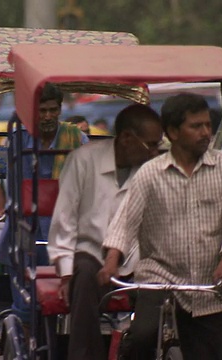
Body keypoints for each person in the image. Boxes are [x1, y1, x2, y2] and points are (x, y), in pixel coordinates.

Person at [101, 93, 222, 359]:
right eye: (196, 126)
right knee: (142, 338)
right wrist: (112, 259)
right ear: (172, 132)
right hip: (159, 276)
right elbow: (124, 222)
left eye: (207, 125)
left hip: (212, 282)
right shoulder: (150, 173)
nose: (206, 132)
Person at [48, 104, 163, 360]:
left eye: (159, 146)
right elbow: (64, 221)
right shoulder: (83, 160)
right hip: (91, 254)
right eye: (150, 145)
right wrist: (66, 275)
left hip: (139, 259)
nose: (155, 152)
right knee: (85, 275)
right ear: (126, 139)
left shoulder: (154, 168)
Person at [0, 83, 89, 327]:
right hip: (27, 229)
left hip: (67, 228)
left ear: (60, 110)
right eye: (42, 110)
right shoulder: (18, 139)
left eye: (52, 110)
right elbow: (13, 189)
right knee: (27, 307)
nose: (47, 116)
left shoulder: (77, 138)